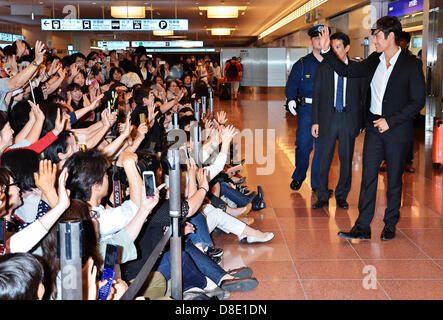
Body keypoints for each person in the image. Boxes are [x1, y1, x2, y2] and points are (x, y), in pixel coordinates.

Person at [319, 16, 426, 241]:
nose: (374, 40)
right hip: (374, 127)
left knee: (394, 179)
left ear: (391, 37)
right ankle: (362, 226)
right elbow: (347, 71)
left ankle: (389, 224)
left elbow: (417, 101)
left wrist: (391, 120)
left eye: (377, 35)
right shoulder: (374, 59)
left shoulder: (411, 64)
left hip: (396, 130)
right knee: (368, 177)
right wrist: (328, 50)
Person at [311, 32, 364, 210]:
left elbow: (363, 97)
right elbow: (316, 96)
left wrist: (361, 122)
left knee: (346, 160)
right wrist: (315, 121)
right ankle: (323, 196)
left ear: (347, 48)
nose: (334, 50)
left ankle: (342, 195)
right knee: (323, 159)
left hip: (348, 120)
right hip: (328, 119)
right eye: (332, 47)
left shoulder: (356, 69)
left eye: (338, 47)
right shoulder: (324, 68)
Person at [287, 25, 327, 193]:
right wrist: (290, 100)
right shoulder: (302, 64)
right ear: (311, 41)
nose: (319, 41)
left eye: (321, 37)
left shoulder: (332, 62)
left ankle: (317, 183)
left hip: (327, 111)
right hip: (307, 110)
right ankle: (299, 175)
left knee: (322, 147)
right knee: (303, 145)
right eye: (315, 38)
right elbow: (291, 85)